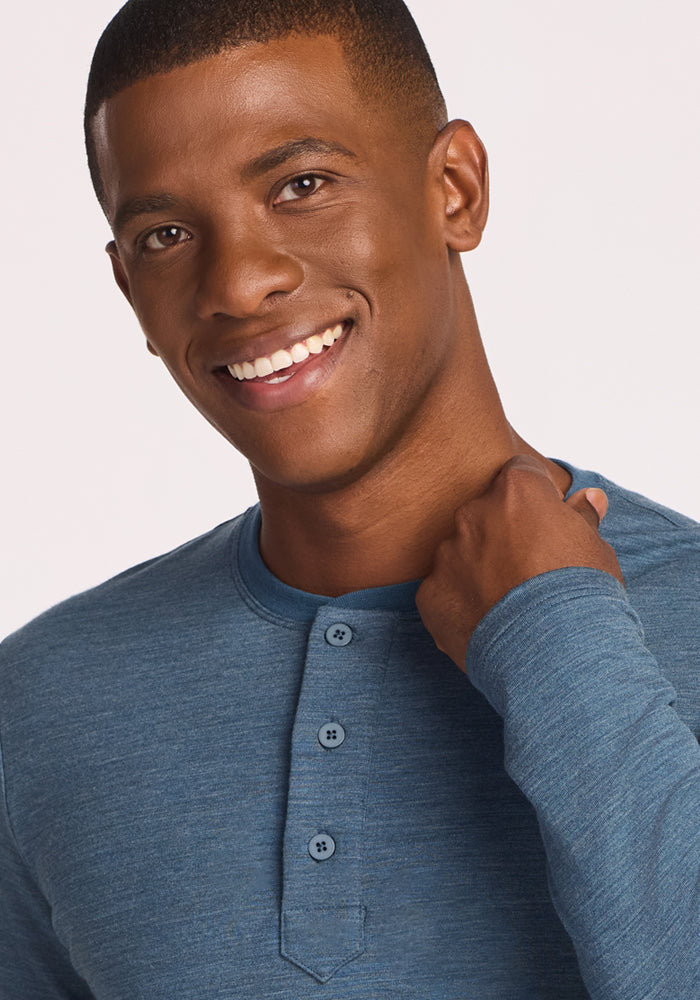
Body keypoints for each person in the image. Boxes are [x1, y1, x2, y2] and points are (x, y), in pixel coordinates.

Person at [0, 0, 698, 996]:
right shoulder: (38, 710)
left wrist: (559, 646)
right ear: (126, 289)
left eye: (303, 184)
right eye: (164, 234)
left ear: (452, 189)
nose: (239, 283)